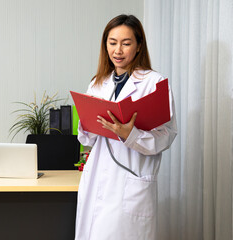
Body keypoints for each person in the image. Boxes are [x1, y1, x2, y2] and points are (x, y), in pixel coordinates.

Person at [75, 14, 177, 240]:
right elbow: (87, 140)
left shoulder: (154, 83)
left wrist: (130, 134)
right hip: (97, 181)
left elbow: (166, 136)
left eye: (126, 43)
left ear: (139, 45)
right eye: (112, 43)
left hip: (130, 183)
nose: (118, 51)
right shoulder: (98, 83)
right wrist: (86, 123)